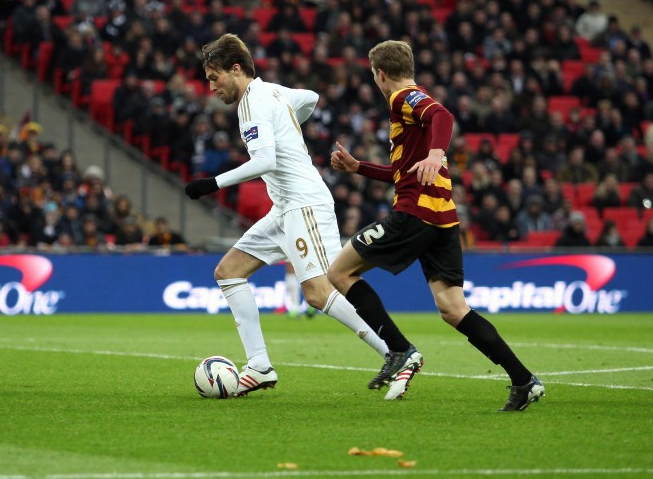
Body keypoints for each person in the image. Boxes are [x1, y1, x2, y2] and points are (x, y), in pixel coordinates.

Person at [326, 40, 544, 411]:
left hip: (415, 213)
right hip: (443, 218)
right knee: (454, 309)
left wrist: (437, 153)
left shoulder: (403, 97)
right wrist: (359, 167)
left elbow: (443, 115)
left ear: (381, 74)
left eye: (374, 76)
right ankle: (524, 381)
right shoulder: (416, 101)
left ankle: (399, 350)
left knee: (339, 272)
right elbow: (404, 171)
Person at [184, 34, 394, 398]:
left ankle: (395, 351)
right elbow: (310, 98)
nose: (211, 87)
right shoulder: (273, 92)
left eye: (214, 77)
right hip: (284, 207)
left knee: (320, 292)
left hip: (304, 203)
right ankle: (259, 366)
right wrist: (288, 124)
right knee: (228, 272)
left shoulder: (252, 103)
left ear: (236, 69)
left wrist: (212, 183)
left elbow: (266, 161)